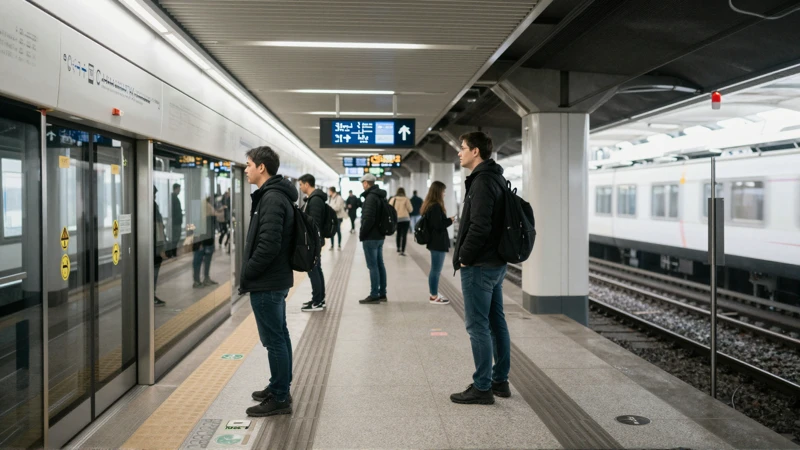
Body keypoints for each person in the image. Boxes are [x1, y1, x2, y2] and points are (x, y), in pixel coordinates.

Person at [450, 131, 511, 405]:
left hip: (479, 265)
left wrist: (464, 256)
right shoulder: (495, 177)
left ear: (476, 151)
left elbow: (480, 225)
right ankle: (500, 380)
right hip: (495, 263)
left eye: (462, 148)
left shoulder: (483, 181)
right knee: (496, 323)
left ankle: (482, 387)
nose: (459, 153)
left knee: (478, 326)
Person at [240, 146, 297, 417]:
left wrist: (247, 272)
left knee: (273, 340)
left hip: (267, 281)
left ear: (262, 167)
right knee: (279, 336)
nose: (246, 169)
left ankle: (280, 397)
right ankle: (279, 385)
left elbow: (269, 244)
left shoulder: (272, 198)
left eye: (249, 164)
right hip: (274, 279)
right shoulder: (274, 195)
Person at [421, 181, 455, 305]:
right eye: (443, 191)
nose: (444, 194)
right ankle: (433, 296)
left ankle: (434, 293)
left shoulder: (430, 205)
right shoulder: (435, 206)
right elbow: (438, 225)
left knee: (435, 270)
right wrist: (450, 220)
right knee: (436, 270)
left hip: (435, 242)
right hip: (437, 243)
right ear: (438, 192)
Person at [358, 173, 388, 304]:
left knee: (373, 266)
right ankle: (382, 293)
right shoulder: (380, 196)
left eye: (362, 183)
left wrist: (362, 234)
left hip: (371, 237)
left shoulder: (370, 198)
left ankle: (374, 294)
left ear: (366, 183)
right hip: (380, 236)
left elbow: (368, 219)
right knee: (380, 265)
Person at [298, 174, 327, 312]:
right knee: (316, 270)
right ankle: (319, 299)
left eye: (300, 184)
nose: (300, 187)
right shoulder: (314, 199)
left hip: (313, 241)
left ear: (307, 184)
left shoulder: (315, 200)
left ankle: (317, 302)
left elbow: (314, 223)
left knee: (313, 270)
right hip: (314, 241)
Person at [192, 196, 218, 288]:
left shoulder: (208, 206)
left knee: (205, 260)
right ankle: (197, 280)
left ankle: (203, 278)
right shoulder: (197, 206)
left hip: (207, 239)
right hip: (201, 240)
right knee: (198, 260)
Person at [389, 188, 413, 256]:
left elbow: (389, 208)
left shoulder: (393, 199)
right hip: (405, 219)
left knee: (398, 234)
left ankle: (398, 247)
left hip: (397, 219)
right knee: (404, 235)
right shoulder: (406, 199)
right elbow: (410, 210)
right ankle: (402, 251)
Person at [154, 186, 167, 307]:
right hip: (155, 245)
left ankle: (150, 294)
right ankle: (151, 294)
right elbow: (159, 226)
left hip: (154, 244)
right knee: (154, 270)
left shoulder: (152, 206)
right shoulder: (153, 207)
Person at [169, 183, 182, 257]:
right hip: (175, 222)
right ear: (176, 189)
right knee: (175, 237)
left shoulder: (175, 197)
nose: (179, 191)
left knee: (176, 237)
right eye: (179, 189)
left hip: (177, 222)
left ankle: (173, 252)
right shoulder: (173, 198)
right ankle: (173, 252)